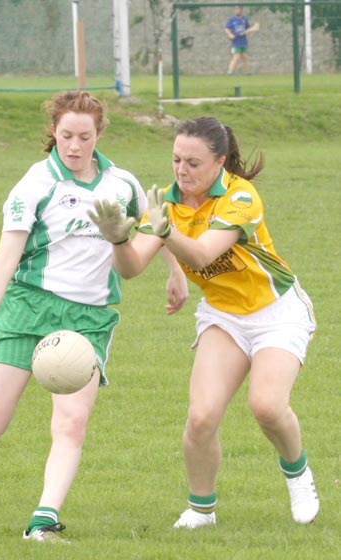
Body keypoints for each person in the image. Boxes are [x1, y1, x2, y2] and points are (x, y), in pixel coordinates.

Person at [0, 91, 188, 543]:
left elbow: (151, 223)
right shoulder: (34, 185)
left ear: (99, 134)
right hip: (27, 307)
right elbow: (5, 257)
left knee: (71, 422)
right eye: (66, 135)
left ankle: (42, 521)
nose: (75, 146)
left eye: (85, 136)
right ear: (54, 133)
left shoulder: (121, 183)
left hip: (86, 319)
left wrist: (176, 272)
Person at [88, 116, 320, 529]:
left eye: (193, 163)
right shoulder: (168, 204)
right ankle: (201, 509)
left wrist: (166, 232)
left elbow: (201, 255)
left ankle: (298, 473)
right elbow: (131, 268)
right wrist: (118, 240)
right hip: (224, 315)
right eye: (177, 159)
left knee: (266, 406)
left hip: (277, 313)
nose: (182, 170)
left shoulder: (241, 196)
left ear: (221, 162)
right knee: (201, 417)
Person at [224, 5, 257, 75]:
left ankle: (246, 71)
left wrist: (250, 33)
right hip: (236, 42)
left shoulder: (244, 19)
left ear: (241, 10)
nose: (237, 10)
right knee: (236, 56)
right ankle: (230, 71)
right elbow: (226, 28)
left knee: (245, 57)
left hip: (243, 41)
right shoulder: (232, 19)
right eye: (236, 9)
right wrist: (230, 34)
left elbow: (248, 29)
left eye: (238, 9)